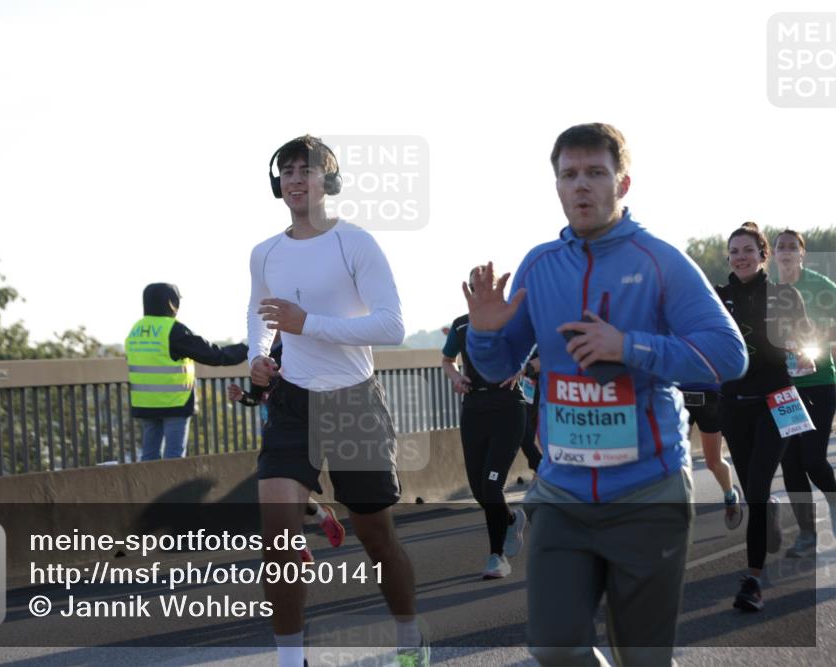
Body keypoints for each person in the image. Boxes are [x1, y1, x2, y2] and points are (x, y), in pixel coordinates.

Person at [464, 123, 748, 666]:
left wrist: (630, 347)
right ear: (556, 186)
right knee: (554, 647)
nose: (581, 186)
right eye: (569, 175)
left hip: (648, 492)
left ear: (623, 182)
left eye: (595, 172)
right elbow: (500, 365)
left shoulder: (660, 260)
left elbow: (727, 356)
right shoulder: (540, 264)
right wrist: (483, 330)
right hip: (563, 492)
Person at [247, 135, 425, 667]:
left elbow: (392, 326)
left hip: (353, 403)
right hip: (292, 401)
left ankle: (410, 639)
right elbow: (260, 315)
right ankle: (290, 660)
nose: (296, 179)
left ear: (330, 180)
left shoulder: (356, 243)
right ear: (277, 183)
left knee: (377, 539)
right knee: (277, 536)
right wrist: (257, 358)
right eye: (288, 171)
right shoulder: (265, 252)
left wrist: (310, 325)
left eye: (308, 170)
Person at [716, 222, 814, 611]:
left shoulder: (785, 296)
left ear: (763, 256)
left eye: (747, 250)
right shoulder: (717, 298)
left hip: (778, 399)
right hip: (733, 403)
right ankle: (766, 509)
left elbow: (807, 338)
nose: (740, 256)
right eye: (734, 251)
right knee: (755, 491)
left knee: (756, 487)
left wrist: (804, 352)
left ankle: (752, 580)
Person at [226, 334, 347, 561]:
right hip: (273, 429)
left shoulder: (296, 348)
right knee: (285, 489)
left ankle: (311, 529)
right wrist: (242, 396)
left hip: (302, 426)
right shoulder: (259, 355)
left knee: (293, 488)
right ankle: (314, 526)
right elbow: (256, 396)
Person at [442, 275, 528, 580]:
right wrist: (456, 379)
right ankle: (508, 519)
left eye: (487, 287)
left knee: (492, 485)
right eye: (476, 287)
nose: (482, 292)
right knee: (480, 489)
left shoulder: (512, 321)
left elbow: (538, 346)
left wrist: (523, 368)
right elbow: (447, 360)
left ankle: (497, 556)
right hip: (474, 410)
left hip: (508, 408)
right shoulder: (461, 324)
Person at [125, 283, 248, 460]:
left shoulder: (136, 330)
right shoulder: (172, 330)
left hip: (145, 403)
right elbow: (213, 355)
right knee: (174, 458)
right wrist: (247, 350)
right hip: (174, 402)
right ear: (172, 303)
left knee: (149, 457)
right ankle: (171, 488)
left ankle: (150, 488)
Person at [774, 229, 836, 557]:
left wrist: (819, 348)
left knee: (813, 460)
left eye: (791, 246)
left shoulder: (821, 287)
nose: (785, 251)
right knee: (792, 464)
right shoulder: (770, 291)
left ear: (802, 254)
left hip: (820, 383)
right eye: (780, 246)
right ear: (773, 255)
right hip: (783, 391)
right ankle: (808, 534)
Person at [679, 382, 742, 529]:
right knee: (678, 462)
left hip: (709, 399)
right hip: (679, 397)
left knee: (713, 462)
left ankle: (730, 496)